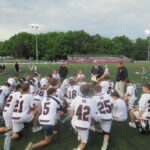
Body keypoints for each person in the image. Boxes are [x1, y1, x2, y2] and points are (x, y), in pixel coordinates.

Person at [68, 85, 94, 150]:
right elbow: (93, 116)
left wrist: (72, 116)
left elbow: (69, 109)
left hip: (74, 123)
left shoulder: (77, 98)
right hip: (84, 126)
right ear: (89, 91)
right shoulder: (92, 101)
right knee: (84, 143)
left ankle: (79, 133)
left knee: (78, 125)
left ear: (80, 91)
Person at [93, 84, 113, 150]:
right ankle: (104, 146)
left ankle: (94, 126)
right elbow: (112, 103)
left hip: (100, 117)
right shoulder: (107, 95)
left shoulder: (94, 98)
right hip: (109, 117)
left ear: (94, 90)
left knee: (91, 114)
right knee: (106, 133)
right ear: (101, 89)